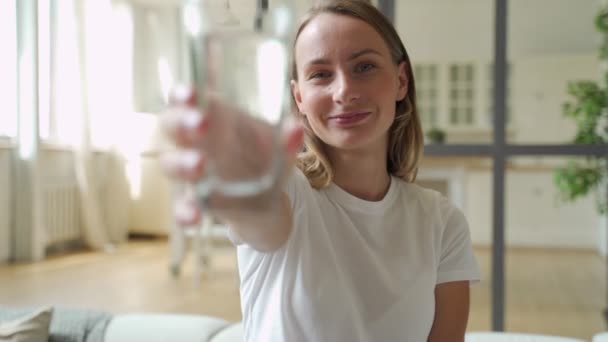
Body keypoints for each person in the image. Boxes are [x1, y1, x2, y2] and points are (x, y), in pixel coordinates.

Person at [163, 1, 481, 341]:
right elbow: (265, 219)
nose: (343, 91)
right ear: (299, 97)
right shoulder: (287, 190)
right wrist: (247, 191)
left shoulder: (441, 222)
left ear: (401, 80)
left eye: (364, 67)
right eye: (320, 74)